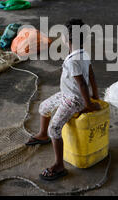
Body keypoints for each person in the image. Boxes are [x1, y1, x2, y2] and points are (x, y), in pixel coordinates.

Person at [25, 19, 101, 181]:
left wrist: (89, 105)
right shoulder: (82, 54)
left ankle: (59, 166)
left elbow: (81, 83)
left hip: (74, 100)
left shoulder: (73, 60)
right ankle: (42, 135)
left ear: (68, 38)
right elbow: (91, 75)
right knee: (44, 107)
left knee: (55, 129)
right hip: (67, 94)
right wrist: (96, 94)